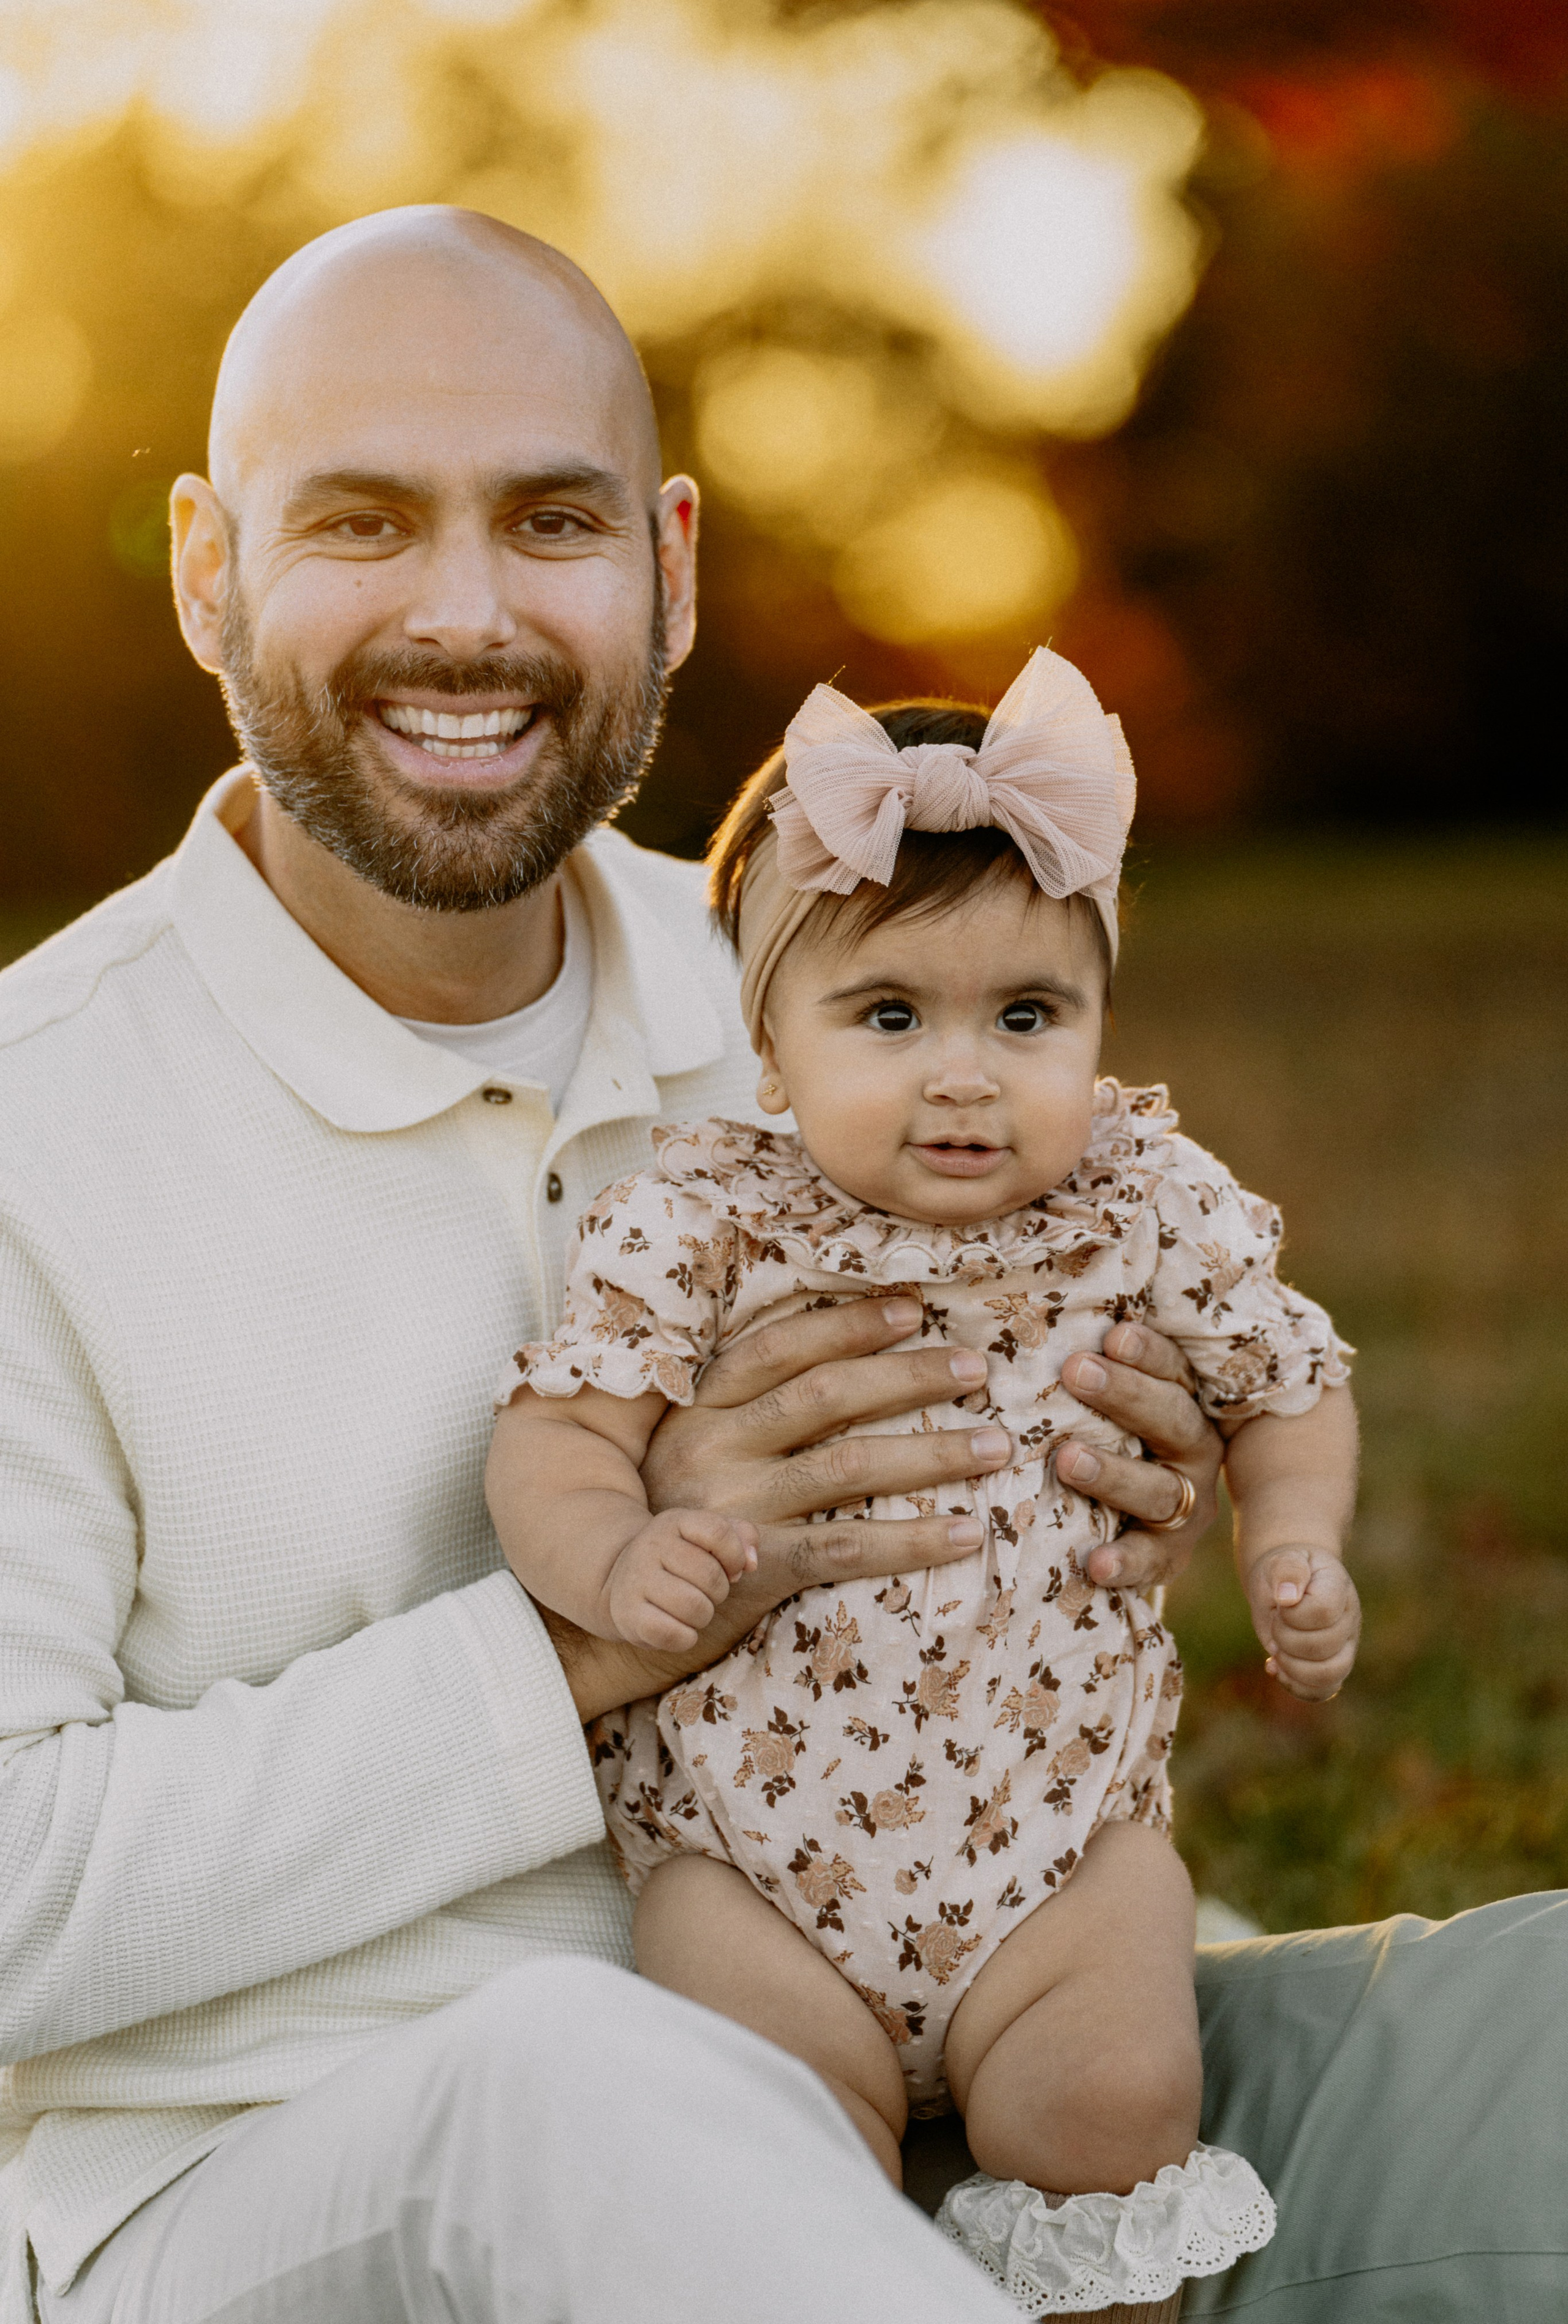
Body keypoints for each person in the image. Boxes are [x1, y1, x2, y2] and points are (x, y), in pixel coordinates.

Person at [1, 205, 1564, 2324]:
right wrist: (584, 1637)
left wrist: (1140, 1472)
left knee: (1538, 2041)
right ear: (206, 566)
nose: (465, 615)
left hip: (976, 2074)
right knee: (576, 2086)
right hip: (322, 2181)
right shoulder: (43, 1127)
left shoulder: (856, 997)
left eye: (548, 521)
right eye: (361, 521)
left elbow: (1173, 1352)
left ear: (670, 565)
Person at [488, 654, 1360, 2317]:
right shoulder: (706, 1217)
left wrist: (1296, 1539)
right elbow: (558, 1434)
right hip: (757, 1865)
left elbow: (1288, 1384)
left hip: (1059, 1852)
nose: (966, 1072)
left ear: (1099, 1021)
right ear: (768, 1043)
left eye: (1026, 1016)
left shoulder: (1145, 1197)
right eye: (891, 1016)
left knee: (1110, 2104)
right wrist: (608, 1559)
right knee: (766, 2146)